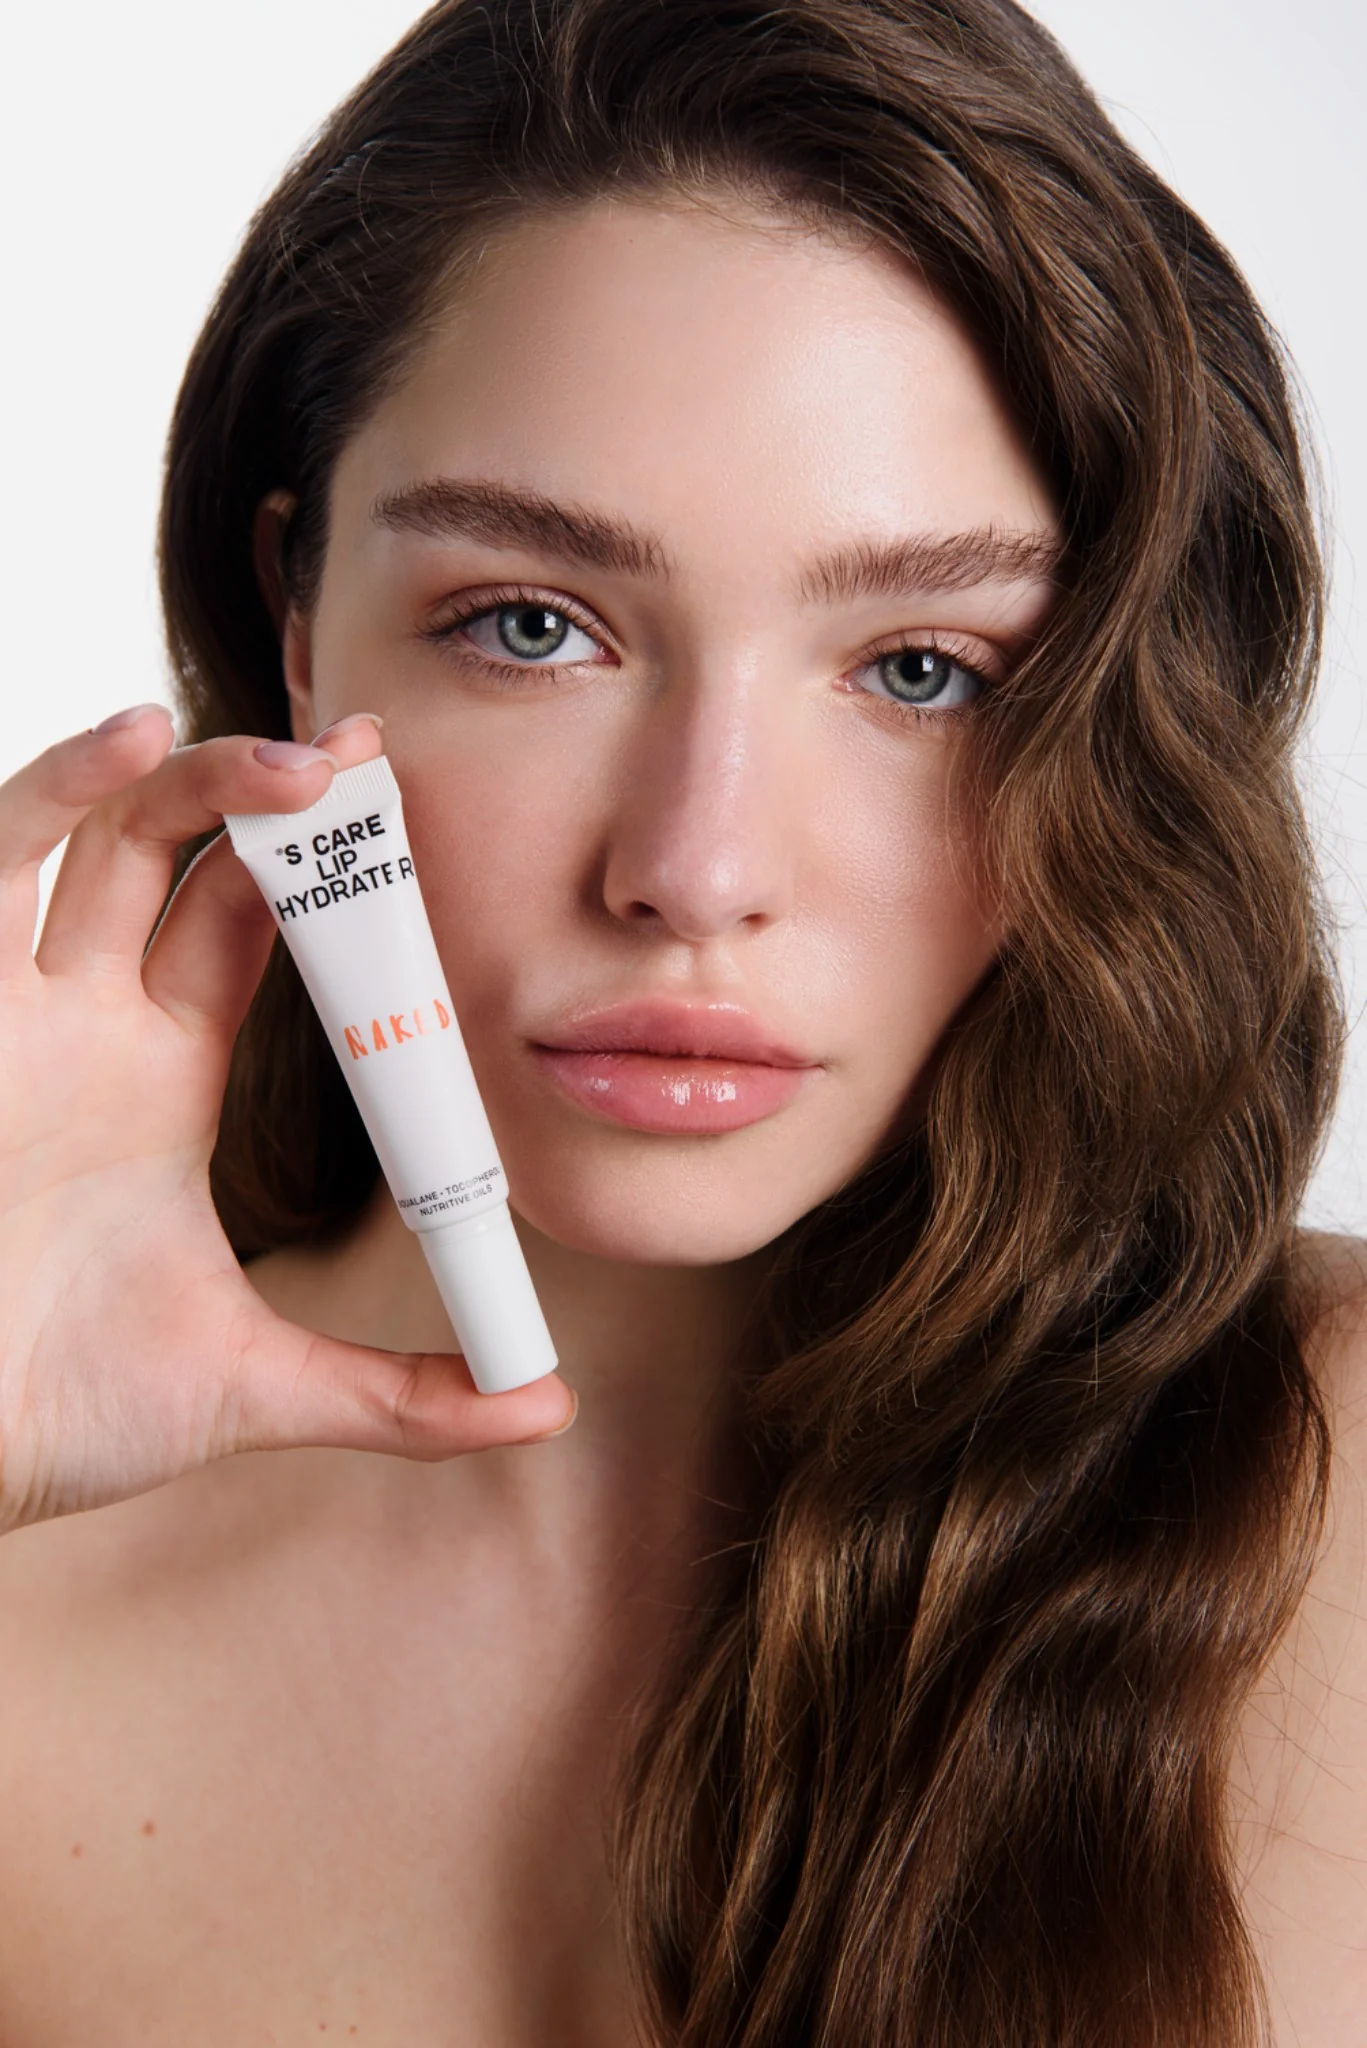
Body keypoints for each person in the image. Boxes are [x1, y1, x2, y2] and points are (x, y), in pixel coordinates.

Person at [0, 0, 1362, 2040]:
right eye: (530, 626)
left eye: (921, 669)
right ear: (297, 624)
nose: (695, 867)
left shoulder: (1328, 1484)